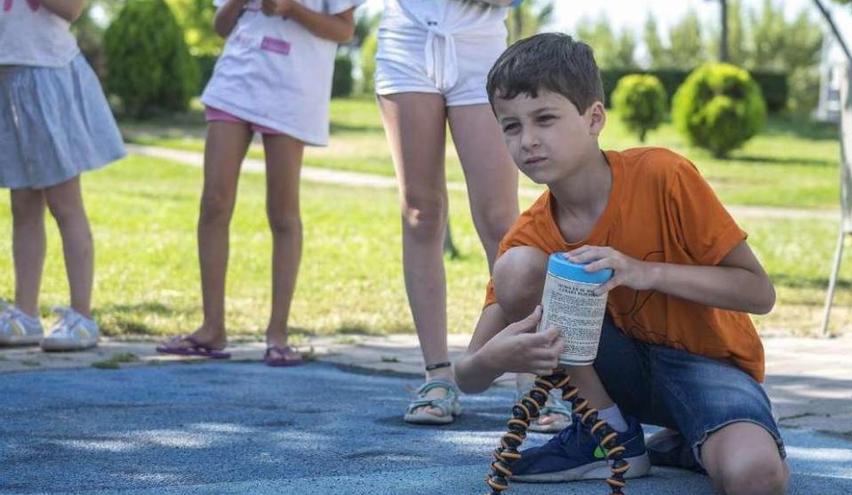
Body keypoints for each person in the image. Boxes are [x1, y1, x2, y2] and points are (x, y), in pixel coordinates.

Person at [453, 33, 789, 495]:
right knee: (517, 267)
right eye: (511, 127)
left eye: (545, 119)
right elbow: (467, 375)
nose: (528, 141)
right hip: (612, 376)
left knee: (756, 477)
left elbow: (759, 293)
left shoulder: (663, 175)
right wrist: (496, 358)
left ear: (594, 118)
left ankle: (687, 440)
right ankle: (611, 435)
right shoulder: (530, 234)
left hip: (707, 367)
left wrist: (642, 270)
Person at [376, 0, 568, 429]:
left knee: (501, 219)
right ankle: (437, 376)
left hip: (479, 45)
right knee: (419, 212)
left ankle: (533, 380)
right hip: (407, 41)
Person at [157, 0, 361, 366]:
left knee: (283, 214)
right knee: (214, 203)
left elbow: (345, 30)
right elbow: (221, 25)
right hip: (237, 76)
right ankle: (211, 329)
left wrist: (290, 9)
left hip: (291, 85)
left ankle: (277, 334)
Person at [0, 0, 125, 351]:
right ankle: (25, 314)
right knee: (23, 204)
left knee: (64, 204)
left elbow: (71, 9)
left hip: (46, 76)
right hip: (7, 82)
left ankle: (81, 316)